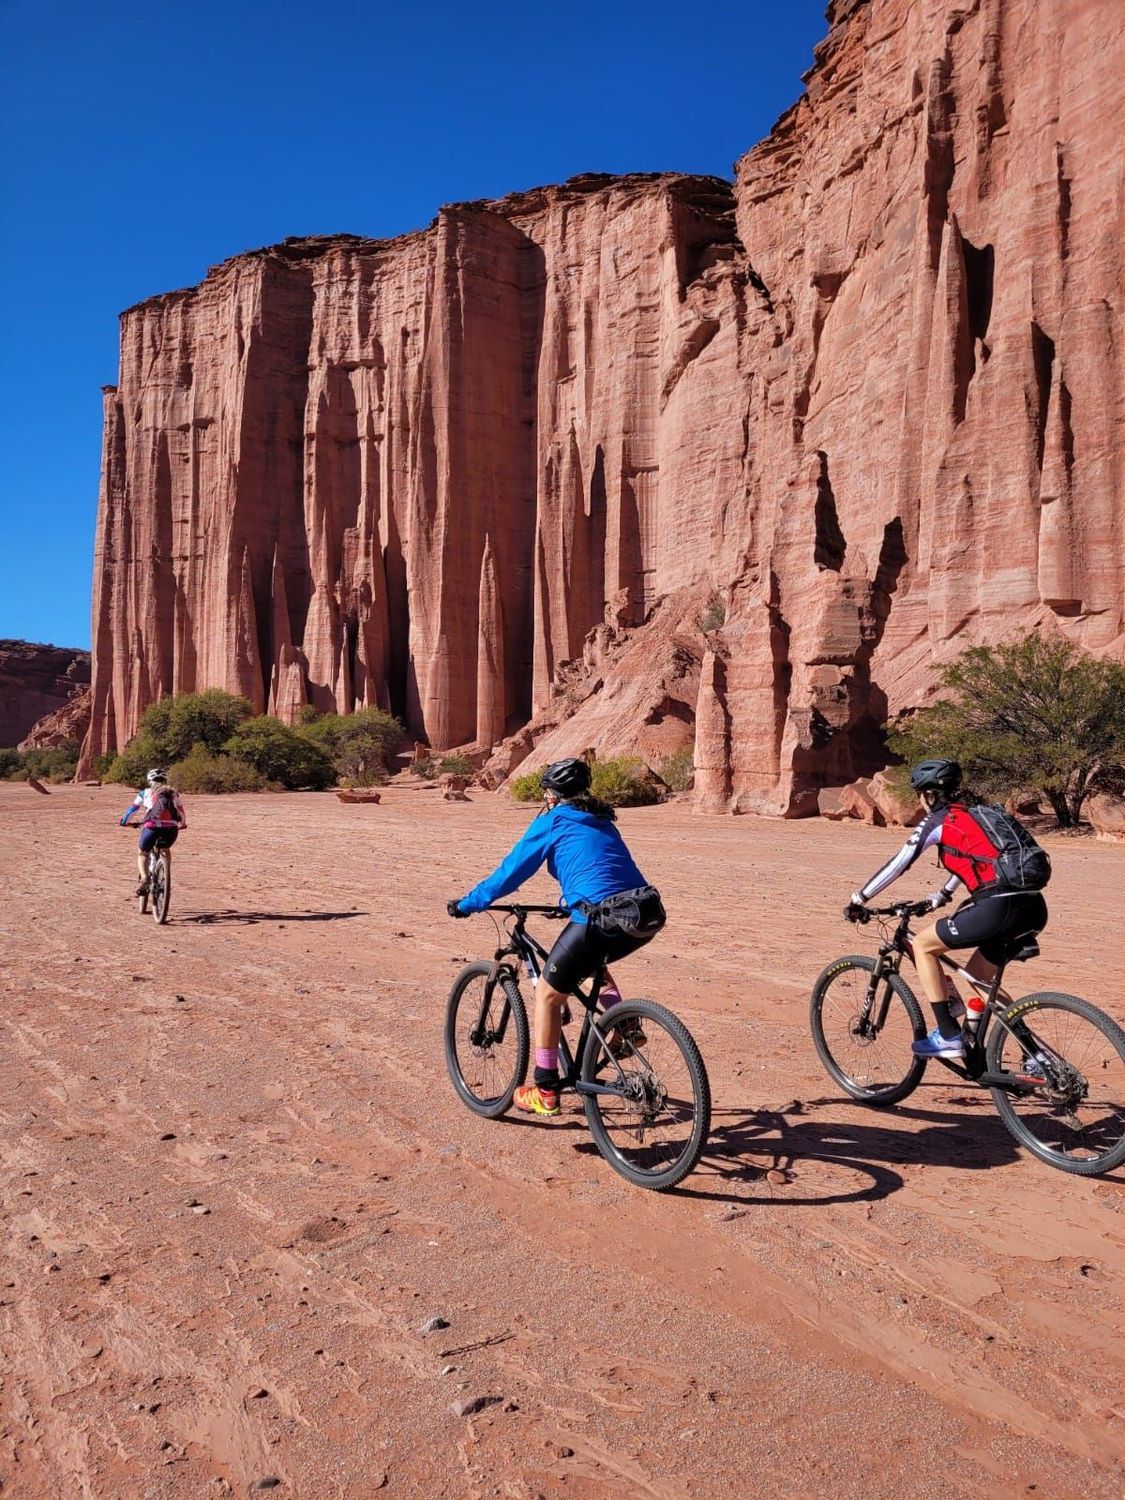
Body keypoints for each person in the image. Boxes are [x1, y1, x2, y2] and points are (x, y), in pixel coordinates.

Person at [447, 757, 665, 1117]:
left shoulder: (554, 820)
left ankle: (545, 1089)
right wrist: (569, 903)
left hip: (601, 917)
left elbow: (511, 872)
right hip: (644, 913)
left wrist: (469, 903)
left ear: (551, 795)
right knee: (591, 962)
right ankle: (624, 1023)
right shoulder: (602, 819)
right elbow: (602, 870)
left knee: (548, 994)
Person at [843, 759, 1048, 1058]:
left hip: (997, 907)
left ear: (928, 795)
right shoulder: (980, 814)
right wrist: (942, 894)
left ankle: (949, 1035)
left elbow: (900, 863)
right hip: (1033, 906)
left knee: (923, 946)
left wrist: (859, 899)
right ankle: (1036, 1056)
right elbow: (976, 860)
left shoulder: (939, 820)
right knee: (978, 977)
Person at [120, 768, 187, 896]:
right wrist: (182, 824)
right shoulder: (174, 794)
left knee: (143, 853)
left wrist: (124, 822)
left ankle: (145, 878)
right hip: (171, 830)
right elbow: (181, 812)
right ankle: (165, 873)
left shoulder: (145, 793)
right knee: (165, 849)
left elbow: (133, 809)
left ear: (149, 780)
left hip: (151, 828)